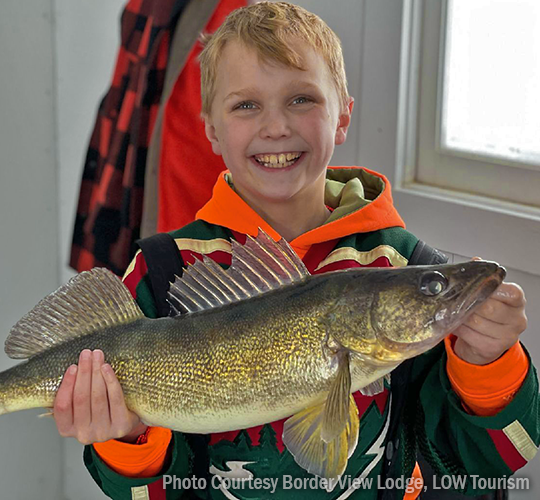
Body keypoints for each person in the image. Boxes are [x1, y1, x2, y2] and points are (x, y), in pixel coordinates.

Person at [55, 3, 536, 499]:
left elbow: (488, 461)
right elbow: (146, 494)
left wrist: (489, 363)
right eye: (246, 105)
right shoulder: (160, 275)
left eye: (301, 99)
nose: (276, 126)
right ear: (211, 129)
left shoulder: (404, 265)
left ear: (343, 115)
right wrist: (126, 439)